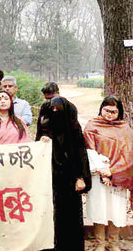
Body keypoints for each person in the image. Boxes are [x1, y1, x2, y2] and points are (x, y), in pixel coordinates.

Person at [36, 88, 91, 251]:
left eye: (58, 110)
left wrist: (81, 177)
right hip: (50, 181)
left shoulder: (74, 132)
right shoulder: (46, 132)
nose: (55, 113)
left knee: (71, 216)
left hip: (71, 180)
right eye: (52, 110)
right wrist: (42, 141)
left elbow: (81, 155)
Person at [83, 97, 133, 251]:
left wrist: (112, 172)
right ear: (101, 109)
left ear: (119, 112)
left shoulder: (125, 128)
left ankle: (114, 242)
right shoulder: (92, 126)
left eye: (114, 111)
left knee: (115, 209)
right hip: (98, 175)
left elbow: (129, 154)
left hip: (119, 176)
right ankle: (100, 243)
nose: (110, 114)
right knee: (100, 208)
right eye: (107, 110)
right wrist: (103, 172)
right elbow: (89, 151)